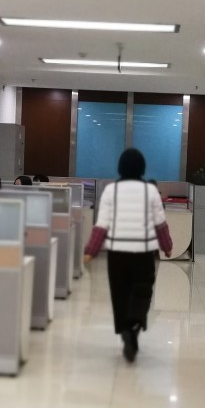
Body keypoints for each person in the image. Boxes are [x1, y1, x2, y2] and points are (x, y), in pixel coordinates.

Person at [84, 148, 173, 363]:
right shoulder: (151, 191)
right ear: (142, 168)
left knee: (120, 294)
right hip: (143, 253)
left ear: (120, 167)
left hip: (117, 255)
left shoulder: (110, 191)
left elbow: (101, 225)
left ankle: (125, 329)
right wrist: (167, 246)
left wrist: (90, 251)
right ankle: (134, 326)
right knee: (142, 292)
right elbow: (160, 225)